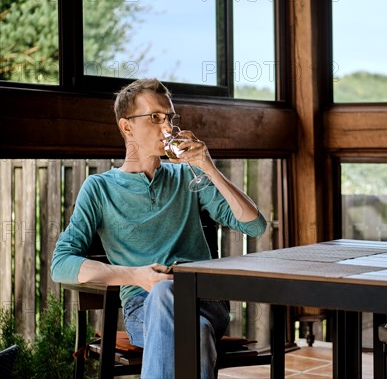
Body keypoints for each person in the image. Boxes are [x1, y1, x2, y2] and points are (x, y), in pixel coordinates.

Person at [51, 78, 267, 378]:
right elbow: (61, 264)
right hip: (143, 307)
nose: (168, 128)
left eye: (170, 118)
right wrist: (138, 276)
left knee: (175, 301)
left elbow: (254, 225)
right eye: (155, 117)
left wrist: (209, 168)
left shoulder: (186, 178)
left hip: (205, 300)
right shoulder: (99, 189)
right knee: (189, 323)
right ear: (127, 127)